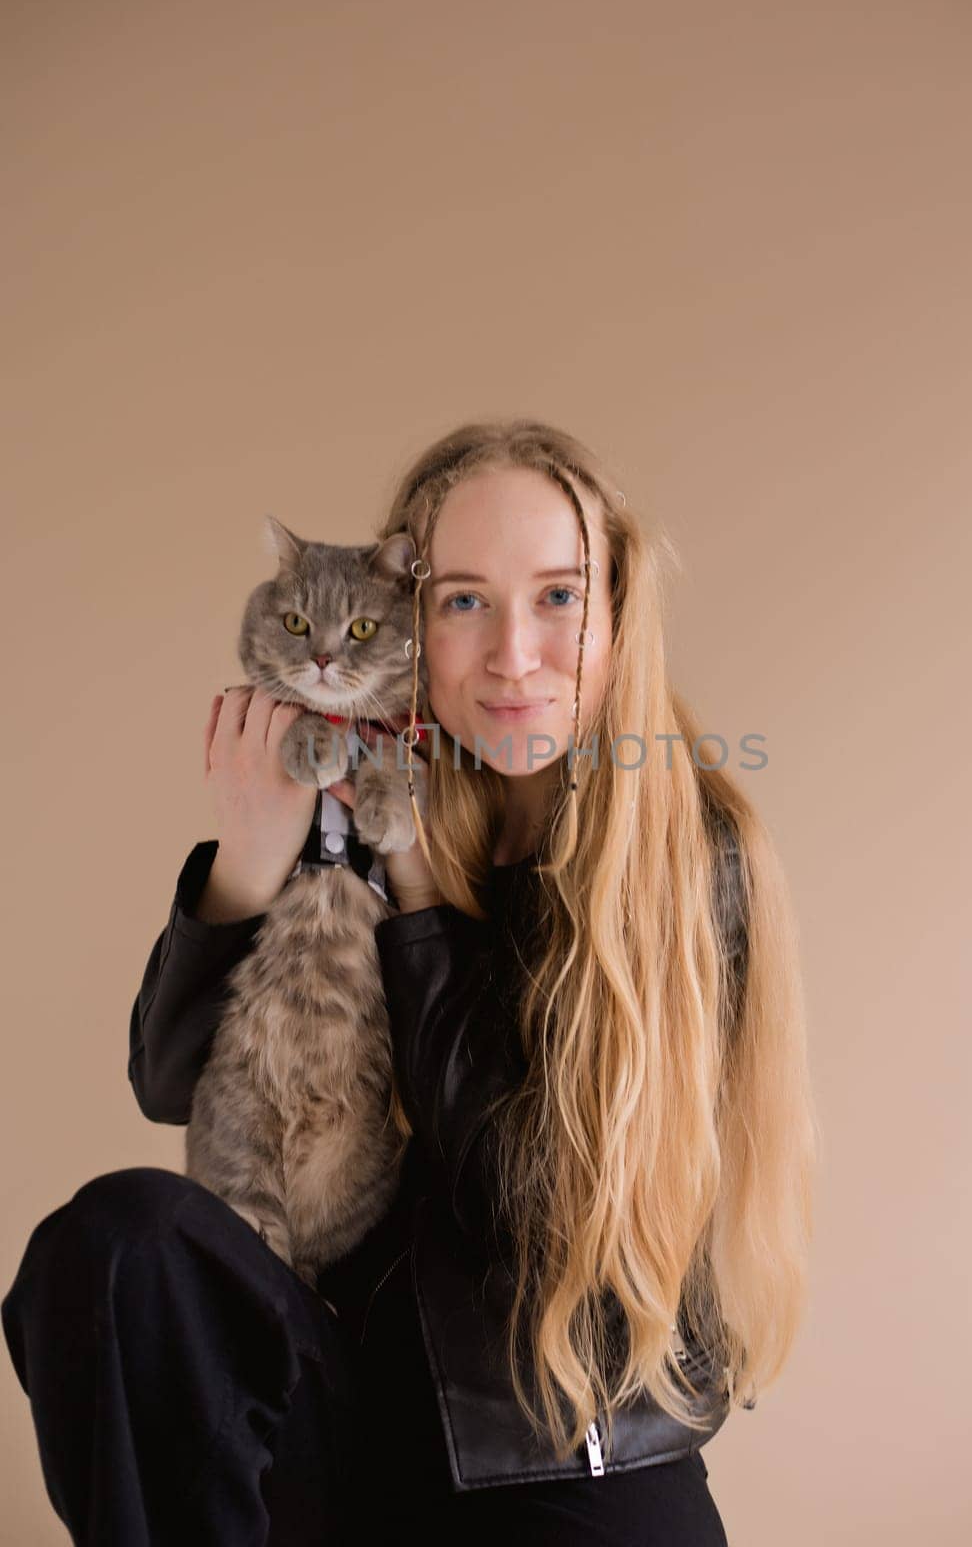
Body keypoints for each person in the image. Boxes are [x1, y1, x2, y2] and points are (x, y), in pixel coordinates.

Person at [2, 419, 818, 1545]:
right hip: (355, 1429)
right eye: (466, 600)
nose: (514, 654)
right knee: (118, 1243)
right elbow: (173, 1078)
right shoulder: (381, 791)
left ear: (618, 614)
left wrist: (422, 900)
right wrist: (246, 858)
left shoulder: (689, 856)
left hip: (558, 1459)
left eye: (560, 597)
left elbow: (519, 1198)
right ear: (414, 624)